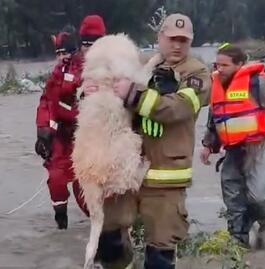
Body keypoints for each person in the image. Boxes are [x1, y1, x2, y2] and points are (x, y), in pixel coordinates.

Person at [84, 13, 210, 268]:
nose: (177, 45)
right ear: (159, 37)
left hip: (167, 177)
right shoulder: (138, 64)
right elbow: (101, 92)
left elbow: (179, 108)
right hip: (125, 173)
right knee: (109, 244)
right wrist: (87, 92)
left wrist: (135, 95)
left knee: (160, 256)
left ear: (191, 42)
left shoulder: (197, 72)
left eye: (183, 41)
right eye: (171, 39)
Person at [201, 44, 265, 247]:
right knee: (232, 196)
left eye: (225, 65)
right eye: (217, 64)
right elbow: (215, 118)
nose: (219, 69)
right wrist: (208, 145)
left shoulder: (260, 84)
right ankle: (238, 245)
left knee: (257, 197)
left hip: (262, 146)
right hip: (234, 150)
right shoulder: (216, 84)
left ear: (240, 64)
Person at [35, 15, 106, 229]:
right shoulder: (64, 69)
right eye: (85, 44)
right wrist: (43, 131)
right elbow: (47, 100)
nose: (88, 49)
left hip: (91, 140)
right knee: (56, 177)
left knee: (86, 189)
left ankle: (104, 227)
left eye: (93, 44)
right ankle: (61, 222)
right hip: (63, 137)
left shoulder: (113, 69)